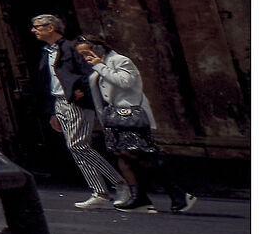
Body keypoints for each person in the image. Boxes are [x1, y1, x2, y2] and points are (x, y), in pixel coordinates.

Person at [78, 35, 198, 214]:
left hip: (131, 116)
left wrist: (99, 65)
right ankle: (140, 199)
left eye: (86, 52)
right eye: (82, 55)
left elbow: (125, 83)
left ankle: (178, 193)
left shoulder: (120, 61)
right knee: (122, 155)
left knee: (135, 155)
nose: (85, 57)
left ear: (99, 48)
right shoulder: (98, 67)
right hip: (114, 118)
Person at [31, 14, 131, 208]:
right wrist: (52, 111)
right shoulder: (46, 52)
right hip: (59, 103)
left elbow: (89, 73)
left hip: (75, 102)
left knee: (78, 145)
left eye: (37, 27)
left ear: (50, 27)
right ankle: (100, 192)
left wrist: (82, 93)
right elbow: (48, 82)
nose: (33, 30)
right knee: (76, 149)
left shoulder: (71, 48)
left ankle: (120, 184)